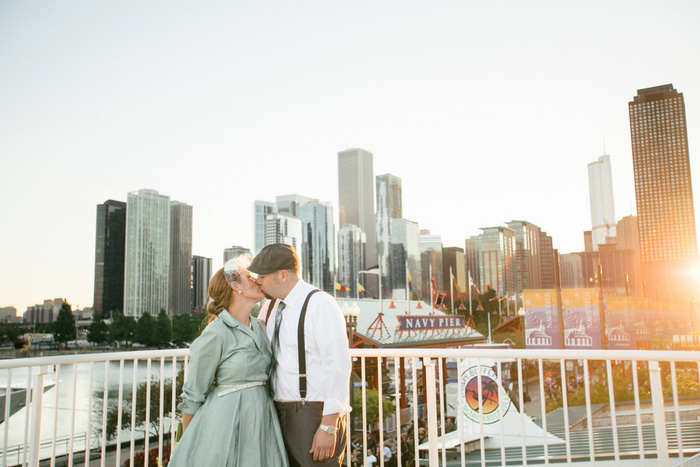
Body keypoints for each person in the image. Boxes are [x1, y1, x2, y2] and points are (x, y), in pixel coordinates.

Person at [169, 257, 288, 467]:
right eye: (249, 277)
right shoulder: (215, 333)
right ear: (235, 286)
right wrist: (189, 443)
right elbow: (193, 393)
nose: (257, 281)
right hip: (226, 421)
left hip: (263, 419)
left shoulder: (261, 326)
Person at [251, 243, 352, 467]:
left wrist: (328, 425)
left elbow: (338, 366)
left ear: (283, 275)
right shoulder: (269, 308)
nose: (257, 280)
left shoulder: (320, 305)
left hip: (312, 413)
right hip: (277, 412)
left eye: (262, 275)